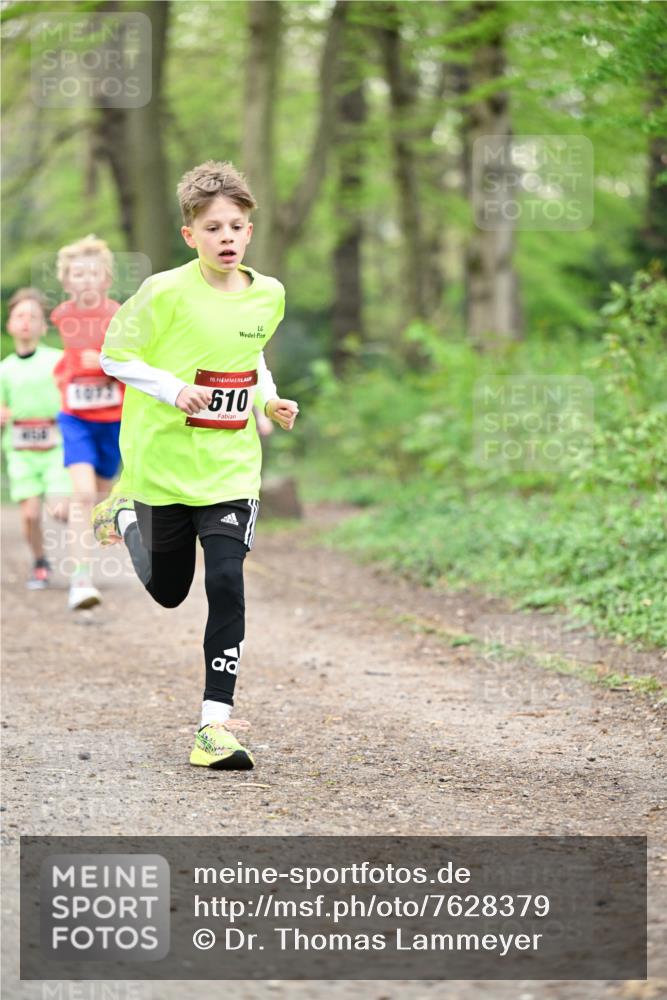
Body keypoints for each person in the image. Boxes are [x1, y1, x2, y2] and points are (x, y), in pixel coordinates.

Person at [92, 159, 299, 771]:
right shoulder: (163, 292)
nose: (227, 237)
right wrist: (170, 388)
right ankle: (126, 514)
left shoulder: (270, 295)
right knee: (168, 590)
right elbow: (113, 356)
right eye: (213, 228)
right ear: (191, 235)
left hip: (232, 467)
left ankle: (215, 727)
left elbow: (252, 357)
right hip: (162, 466)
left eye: (236, 226)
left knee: (227, 580)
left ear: (250, 229)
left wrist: (267, 399)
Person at [51, 234, 124, 610]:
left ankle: (78, 515)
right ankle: (80, 580)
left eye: (92, 273)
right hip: (76, 417)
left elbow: (136, 365)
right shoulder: (62, 315)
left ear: (106, 279)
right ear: (66, 281)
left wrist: (107, 365)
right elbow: (68, 358)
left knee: (96, 501)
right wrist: (65, 374)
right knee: (83, 497)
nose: (84, 280)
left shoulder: (120, 316)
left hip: (113, 419)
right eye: (77, 274)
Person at [0, 288, 70, 588]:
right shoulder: (4, 369)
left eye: (33, 317)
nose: (26, 322)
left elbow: (73, 394)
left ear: (44, 327)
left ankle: (84, 561)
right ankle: (40, 561)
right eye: (19, 316)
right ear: (9, 325)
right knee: (29, 515)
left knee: (61, 509)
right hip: (20, 450)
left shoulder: (58, 360)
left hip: (57, 447)